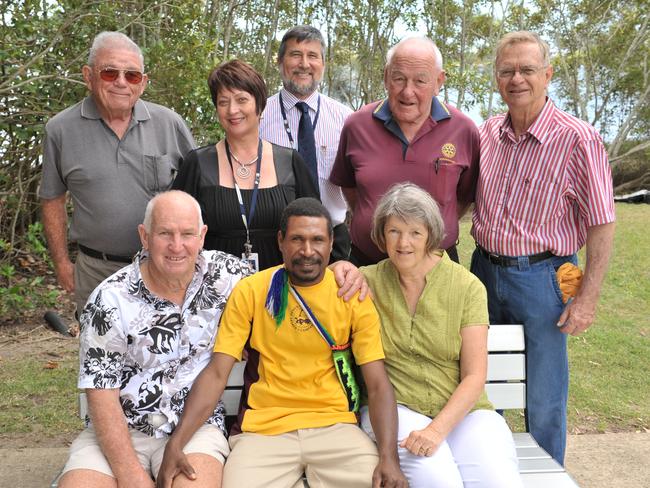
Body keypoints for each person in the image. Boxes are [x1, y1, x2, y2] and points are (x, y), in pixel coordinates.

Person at [157, 198, 407, 488]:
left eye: (317, 240)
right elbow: (217, 373)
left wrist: (389, 458)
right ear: (280, 241)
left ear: (330, 244)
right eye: (297, 239)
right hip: (263, 430)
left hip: (336, 426)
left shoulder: (350, 295)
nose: (307, 251)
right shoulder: (252, 291)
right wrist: (177, 443)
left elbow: (377, 384)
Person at [470, 31, 615, 465]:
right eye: (507, 71)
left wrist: (587, 297)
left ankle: (547, 471)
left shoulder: (578, 139)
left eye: (527, 69)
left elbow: (602, 223)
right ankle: (486, 467)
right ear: (497, 79)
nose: (517, 79)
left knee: (544, 392)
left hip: (546, 279)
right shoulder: (487, 133)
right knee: (480, 383)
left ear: (548, 75)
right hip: (483, 271)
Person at [57, 191, 251, 488]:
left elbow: (289, 282)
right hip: (120, 430)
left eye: (187, 234)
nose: (177, 246)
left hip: (194, 430)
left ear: (202, 236)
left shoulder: (228, 275)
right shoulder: (110, 299)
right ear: (144, 237)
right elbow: (101, 393)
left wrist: (337, 269)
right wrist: (131, 474)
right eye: (165, 233)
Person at [359, 183, 522, 487]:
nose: (403, 243)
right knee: (439, 480)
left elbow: (475, 376)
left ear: (431, 236)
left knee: (498, 480)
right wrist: (342, 265)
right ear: (382, 235)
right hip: (397, 409)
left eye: (415, 233)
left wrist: (437, 430)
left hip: (464, 411)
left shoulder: (466, 286)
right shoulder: (367, 282)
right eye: (394, 231)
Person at [40, 31, 195, 315]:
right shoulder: (60, 130)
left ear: (143, 83)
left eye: (132, 75)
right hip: (96, 273)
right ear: (88, 76)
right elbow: (52, 199)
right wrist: (62, 263)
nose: (121, 82)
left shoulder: (169, 124)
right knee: (100, 356)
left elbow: (198, 192)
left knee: (163, 354)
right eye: (110, 73)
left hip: (163, 267)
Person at [330, 36, 479, 265]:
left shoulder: (463, 130)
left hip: (437, 268)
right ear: (386, 77)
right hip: (367, 265)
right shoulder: (356, 125)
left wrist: (432, 231)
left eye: (420, 81)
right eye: (399, 78)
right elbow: (350, 188)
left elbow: (463, 197)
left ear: (439, 82)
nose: (408, 92)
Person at [173, 59, 320, 273]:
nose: (233, 110)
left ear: (260, 105)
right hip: (214, 290)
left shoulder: (290, 161)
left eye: (242, 100)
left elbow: (316, 225)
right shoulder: (198, 163)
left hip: (280, 286)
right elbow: (174, 227)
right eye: (223, 102)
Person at [259, 25, 353, 261]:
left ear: (323, 64)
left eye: (312, 56)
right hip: (275, 237)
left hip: (333, 238)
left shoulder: (346, 119)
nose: (304, 64)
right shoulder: (258, 116)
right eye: (295, 55)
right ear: (280, 62)